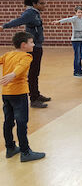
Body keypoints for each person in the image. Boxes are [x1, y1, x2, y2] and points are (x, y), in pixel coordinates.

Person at [0, 32, 46, 162]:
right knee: (21, 122)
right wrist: (13, 74)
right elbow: (22, 67)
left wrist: (11, 75)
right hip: (19, 94)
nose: (33, 44)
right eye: (31, 42)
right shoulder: (27, 56)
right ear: (24, 45)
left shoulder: (8, 55)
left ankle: (10, 148)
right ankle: (25, 152)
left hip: (6, 94)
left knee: (8, 121)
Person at [0, 0, 50, 108]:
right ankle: (33, 99)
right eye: (41, 3)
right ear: (34, 4)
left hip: (37, 45)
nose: (44, 5)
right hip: (33, 47)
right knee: (33, 73)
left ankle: (36, 94)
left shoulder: (35, 13)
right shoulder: (30, 13)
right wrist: (4, 26)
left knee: (35, 72)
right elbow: (18, 21)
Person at [52, 6, 82, 77]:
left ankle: (80, 70)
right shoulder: (74, 18)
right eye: (78, 12)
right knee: (77, 56)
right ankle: (76, 71)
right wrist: (59, 22)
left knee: (80, 56)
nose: (80, 14)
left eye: (81, 12)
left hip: (80, 39)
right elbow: (67, 20)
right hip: (75, 40)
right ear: (75, 13)